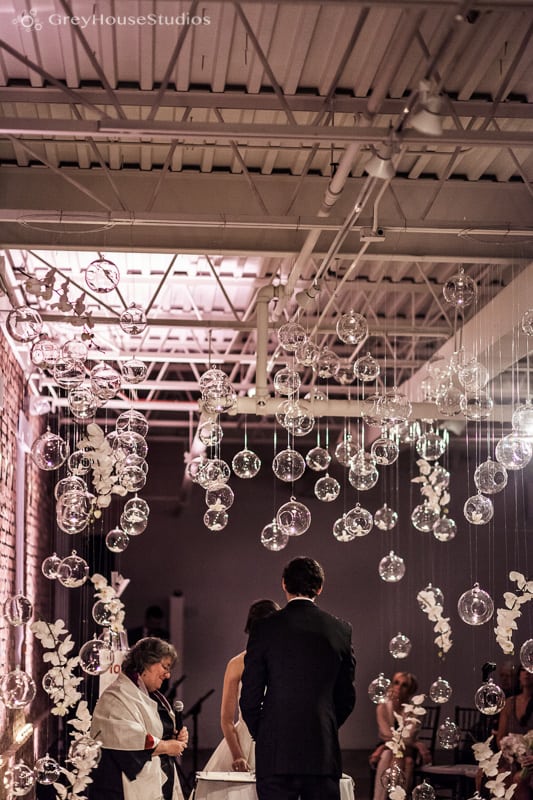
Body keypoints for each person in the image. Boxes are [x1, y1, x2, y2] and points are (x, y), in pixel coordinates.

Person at [240, 556, 356, 800]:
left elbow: (250, 695)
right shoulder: (340, 630)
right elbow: (346, 697)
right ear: (320, 587)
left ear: (284, 583)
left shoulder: (264, 628)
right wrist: (324, 725)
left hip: (275, 752)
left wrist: (265, 732)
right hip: (322, 750)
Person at [89, 637, 188, 800]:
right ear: (147, 662)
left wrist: (175, 736)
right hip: (120, 787)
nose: (168, 675)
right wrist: (166, 746)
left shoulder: (152, 695)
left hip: (157, 780)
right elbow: (129, 739)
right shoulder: (116, 697)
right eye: (165, 667)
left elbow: (158, 731)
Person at [203, 599, 280, 773]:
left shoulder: (285, 662)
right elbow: (226, 719)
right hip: (245, 741)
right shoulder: (237, 664)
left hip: (279, 740)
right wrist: (238, 755)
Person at [369, 672, 431, 800]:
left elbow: (408, 737)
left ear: (410, 690)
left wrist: (382, 747)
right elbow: (386, 734)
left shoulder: (414, 710)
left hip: (407, 750)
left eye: (404, 685)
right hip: (392, 750)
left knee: (396, 756)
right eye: (396, 683)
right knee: (401, 759)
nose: (398, 687)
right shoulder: (383, 707)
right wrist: (417, 744)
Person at [495, 665, 533, 800]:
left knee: (519, 780)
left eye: (531, 670)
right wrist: (510, 754)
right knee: (487, 774)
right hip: (511, 758)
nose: (527, 673)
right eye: (523, 670)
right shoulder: (509, 703)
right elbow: (500, 737)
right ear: (518, 675)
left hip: (530, 761)